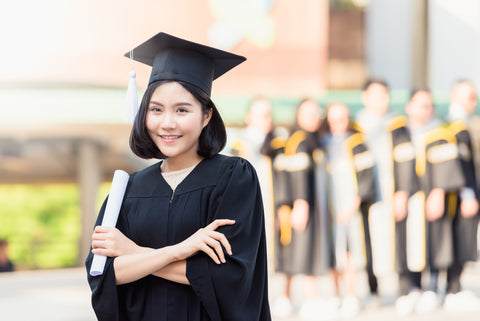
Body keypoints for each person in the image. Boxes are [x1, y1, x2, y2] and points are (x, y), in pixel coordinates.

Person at [85, 32, 271, 321]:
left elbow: (228, 277)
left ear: (206, 115)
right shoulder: (128, 189)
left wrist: (135, 252)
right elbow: (103, 274)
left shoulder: (234, 177)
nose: (167, 123)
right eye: (156, 110)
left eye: (182, 110)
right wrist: (179, 251)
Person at [262, 99, 332, 320]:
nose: (313, 116)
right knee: (304, 248)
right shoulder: (298, 140)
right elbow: (295, 174)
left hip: (308, 202)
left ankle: (290, 298)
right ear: (298, 114)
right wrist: (300, 202)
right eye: (307, 112)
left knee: (298, 249)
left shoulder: (310, 139)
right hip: (301, 204)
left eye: (316, 112)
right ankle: (309, 300)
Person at [398, 89, 465, 314]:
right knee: (410, 244)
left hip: (433, 197)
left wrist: (438, 192)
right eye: (420, 105)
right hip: (409, 198)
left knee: (435, 242)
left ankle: (433, 288)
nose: (425, 109)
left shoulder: (440, 132)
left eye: (429, 105)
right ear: (409, 107)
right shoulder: (401, 133)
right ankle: (411, 289)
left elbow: (446, 166)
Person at [355, 79, 417, 307]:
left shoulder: (397, 125)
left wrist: (402, 191)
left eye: (385, 95)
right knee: (368, 241)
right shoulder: (356, 126)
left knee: (399, 239)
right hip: (367, 194)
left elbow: (406, 159)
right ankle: (374, 291)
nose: (383, 100)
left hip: (392, 190)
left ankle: (404, 290)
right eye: (377, 95)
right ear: (365, 97)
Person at [322, 103, 376, 318]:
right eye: (333, 119)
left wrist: (353, 203)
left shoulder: (358, 142)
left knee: (349, 251)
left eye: (342, 118)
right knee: (332, 252)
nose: (337, 123)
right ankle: (336, 295)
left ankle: (352, 295)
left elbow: (366, 176)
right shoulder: (323, 143)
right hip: (328, 205)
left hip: (348, 205)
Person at [442, 80, 480, 312]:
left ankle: (455, 287)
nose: (472, 101)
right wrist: (467, 194)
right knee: (459, 239)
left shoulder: (467, 123)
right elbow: (460, 165)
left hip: (468, 192)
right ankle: (452, 289)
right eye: (468, 96)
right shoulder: (454, 125)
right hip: (459, 195)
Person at [229, 97, 275, 271]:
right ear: (249, 117)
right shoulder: (240, 145)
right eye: (261, 115)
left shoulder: (274, 143)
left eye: (268, 114)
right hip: (248, 210)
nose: (266, 119)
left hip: (271, 207)